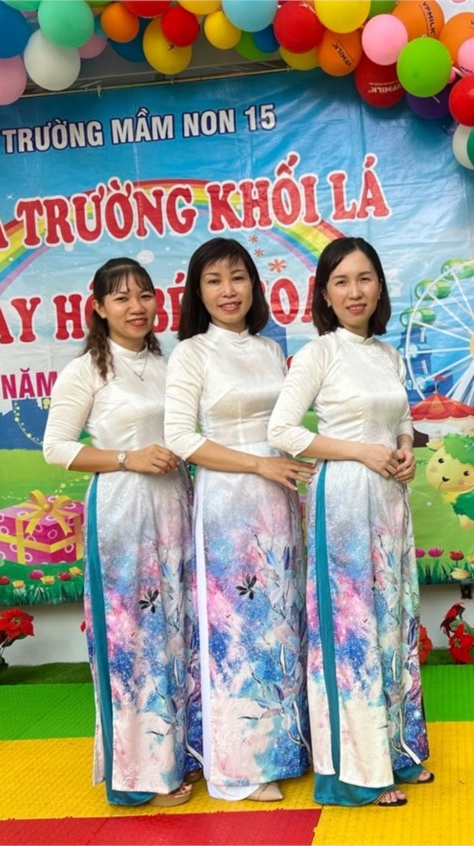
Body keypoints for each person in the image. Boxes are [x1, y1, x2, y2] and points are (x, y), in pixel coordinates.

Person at [268, 237, 431, 808]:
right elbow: (282, 431)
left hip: (389, 501)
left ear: (379, 286)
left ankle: (396, 749)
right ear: (325, 294)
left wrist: (405, 448)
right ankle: (356, 772)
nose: (354, 291)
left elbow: (401, 418)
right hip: (341, 501)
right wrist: (360, 451)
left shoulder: (386, 354)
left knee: (392, 621)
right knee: (351, 632)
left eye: (364, 278)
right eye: (341, 281)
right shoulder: (319, 353)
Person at [43, 257, 201, 807]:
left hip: (176, 507)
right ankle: (139, 776)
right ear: (99, 308)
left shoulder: (169, 363)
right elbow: (56, 448)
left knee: (178, 632)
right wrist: (126, 457)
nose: (137, 307)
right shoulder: (86, 370)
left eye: (145, 295)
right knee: (133, 639)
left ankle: (182, 753)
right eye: (121, 297)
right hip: (122, 512)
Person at [164, 238, 312, 804]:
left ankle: (284, 747)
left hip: (278, 499)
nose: (228, 291)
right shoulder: (192, 353)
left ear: (254, 284)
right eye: (214, 281)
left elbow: (285, 426)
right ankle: (239, 767)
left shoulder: (271, 350)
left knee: (280, 622)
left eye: (238, 277)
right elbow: (181, 438)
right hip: (228, 501)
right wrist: (257, 464)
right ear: (198, 293)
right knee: (238, 629)